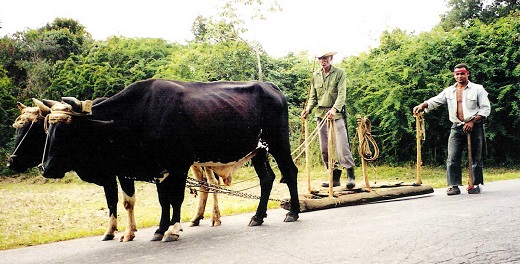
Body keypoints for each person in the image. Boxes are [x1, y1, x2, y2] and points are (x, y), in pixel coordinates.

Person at [413, 63, 491, 195]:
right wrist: (423, 105)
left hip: (474, 126)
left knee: (475, 157)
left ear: (468, 74)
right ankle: (453, 185)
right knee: (453, 156)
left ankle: (475, 184)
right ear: (454, 75)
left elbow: (485, 108)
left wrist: (472, 122)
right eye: (457, 74)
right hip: (457, 127)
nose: (460, 76)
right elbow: (436, 100)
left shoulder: (478, 89)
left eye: (462, 73)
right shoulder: (449, 91)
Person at [301, 51, 356, 189]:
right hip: (321, 114)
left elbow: (342, 94)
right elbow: (313, 96)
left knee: (342, 146)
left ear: (331, 58)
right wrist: (308, 109)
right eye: (320, 58)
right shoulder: (315, 75)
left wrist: (335, 109)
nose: (322, 61)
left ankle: (350, 175)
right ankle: (334, 177)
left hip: (336, 114)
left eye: (325, 58)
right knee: (325, 148)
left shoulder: (340, 73)